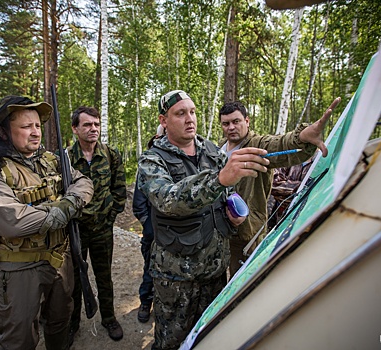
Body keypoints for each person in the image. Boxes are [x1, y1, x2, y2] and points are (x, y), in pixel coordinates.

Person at [137, 90, 271, 349]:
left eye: (193, 112)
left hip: (215, 272)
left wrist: (231, 214)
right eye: (180, 113)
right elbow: (167, 198)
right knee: (171, 341)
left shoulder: (211, 151)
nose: (190, 119)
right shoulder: (152, 159)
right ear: (163, 120)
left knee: (210, 337)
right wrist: (219, 179)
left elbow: (226, 194)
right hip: (176, 277)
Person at [0, 95, 94, 350]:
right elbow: (14, 222)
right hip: (19, 270)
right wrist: (64, 209)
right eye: (26, 127)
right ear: (3, 131)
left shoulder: (49, 160)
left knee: (60, 323)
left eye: (37, 126)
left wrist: (67, 204)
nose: (35, 133)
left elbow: (84, 183)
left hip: (60, 260)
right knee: (20, 338)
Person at [218, 98, 340, 277]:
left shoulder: (257, 145)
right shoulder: (219, 149)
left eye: (236, 121)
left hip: (245, 234)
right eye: (226, 123)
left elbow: (281, 144)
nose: (231, 127)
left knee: (243, 285)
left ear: (247, 121)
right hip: (220, 232)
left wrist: (302, 137)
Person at [67, 106, 127, 343]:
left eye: (96, 124)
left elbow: (119, 189)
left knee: (104, 277)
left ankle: (109, 318)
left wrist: (110, 217)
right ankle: (72, 323)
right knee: (74, 280)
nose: (93, 129)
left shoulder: (110, 154)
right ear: (75, 129)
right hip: (76, 232)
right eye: (87, 125)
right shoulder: (65, 158)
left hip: (102, 229)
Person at [132, 125, 165, 323]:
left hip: (175, 237)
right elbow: (138, 205)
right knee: (150, 270)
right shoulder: (147, 168)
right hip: (153, 236)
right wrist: (149, 226)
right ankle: (146, 301)